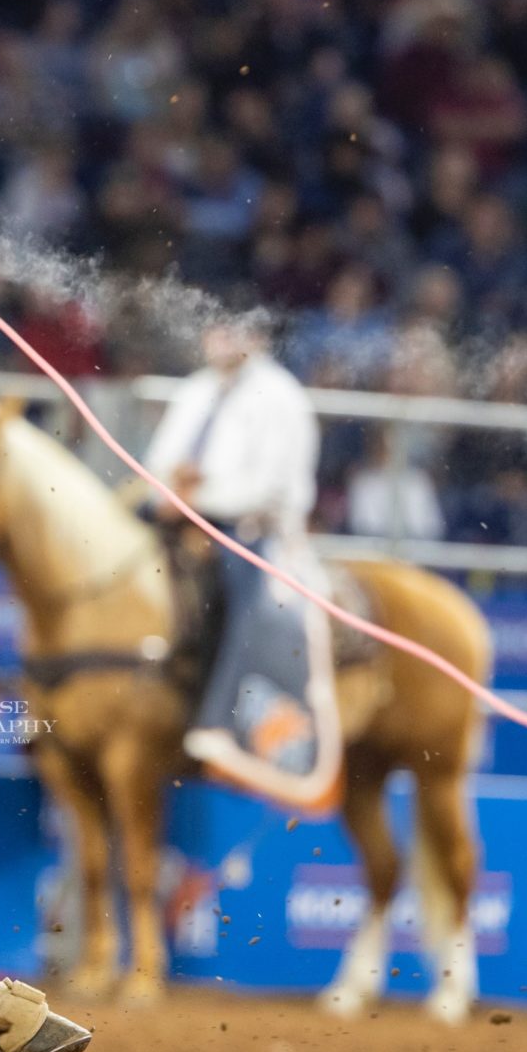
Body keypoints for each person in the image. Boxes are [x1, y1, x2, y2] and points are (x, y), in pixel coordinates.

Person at [142, 314, 336, 786]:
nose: (218, 337)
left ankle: (221, 722)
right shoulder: (196, 390)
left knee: (239, 599)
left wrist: (195, 498)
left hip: (252, 533)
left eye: (230, 329)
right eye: (214, 326)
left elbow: (268, 489)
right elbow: (157, 461)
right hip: (181, 521)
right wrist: (169, 493)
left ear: (256, 337)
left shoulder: (281, 395)